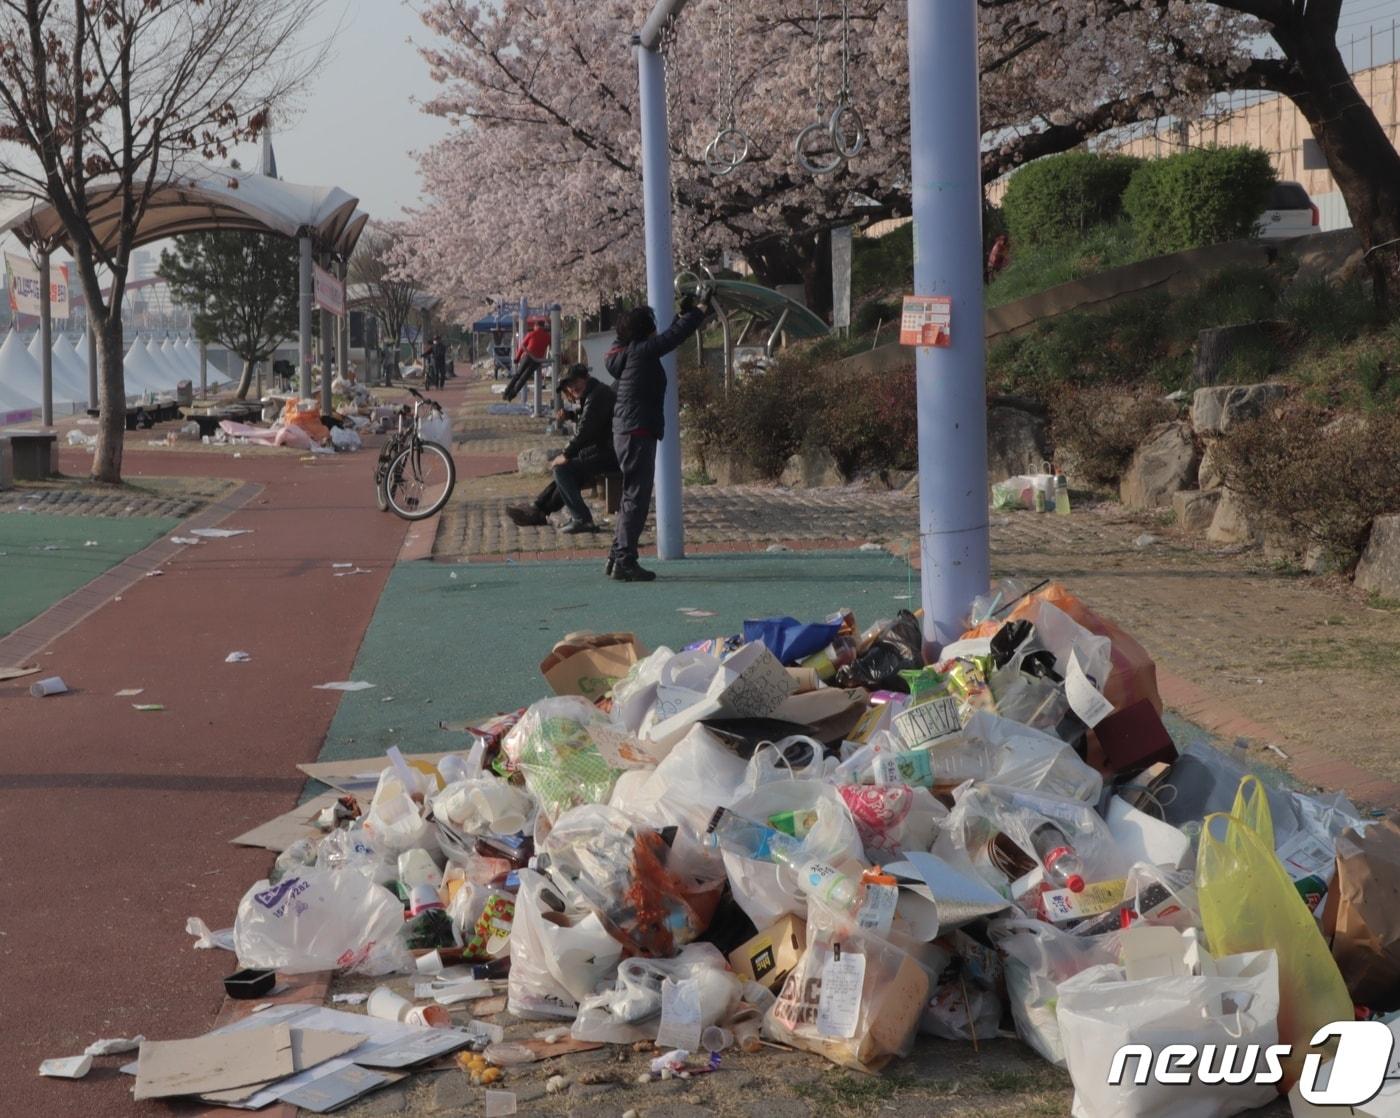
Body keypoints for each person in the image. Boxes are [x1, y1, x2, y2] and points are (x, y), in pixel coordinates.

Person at [605, 295, 711, 582]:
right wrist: (698, 313)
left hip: (626, 431)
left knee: (631, 496)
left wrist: (682, 316)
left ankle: (618, 554)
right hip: (637, 431)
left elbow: (665, 337)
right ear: (644, 330)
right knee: (636, 499)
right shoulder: (640, 352)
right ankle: (625, 559)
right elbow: (672, 338)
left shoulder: (625, 353)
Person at [506, 363, 616, 534]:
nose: (572, 389)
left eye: (574, 383)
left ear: (585, 377)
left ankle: (582, 519)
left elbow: (586, 430)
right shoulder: (594, 393)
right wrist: (572, 416)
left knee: (562, 469)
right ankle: (539, 510)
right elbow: (593, 423)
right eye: (568, 386)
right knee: (567, 471)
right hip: (604, 451)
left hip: (611, 454)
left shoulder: (597, 396)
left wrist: (566, 454)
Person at [504, 319, 551, 402]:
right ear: (543, 327)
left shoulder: (531, 334)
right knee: (524, 378)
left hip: (527, 356)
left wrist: (517, 358)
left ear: (536, 326)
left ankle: (506, 392)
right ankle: (511, 395)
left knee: (517, 375)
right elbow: (552, 347)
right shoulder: (547, 336)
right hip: (537, 360)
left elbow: (522, 346)